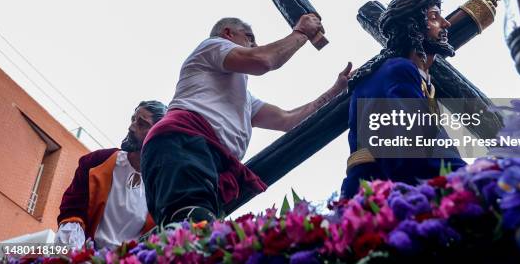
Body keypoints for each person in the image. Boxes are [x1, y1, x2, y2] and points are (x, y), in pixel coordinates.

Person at [142, 14, 353, 225]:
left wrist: (335, 91)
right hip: (184, 142)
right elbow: (262, 60)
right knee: (193, 223)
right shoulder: (213, 46)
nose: (255, 45)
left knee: (195, 229)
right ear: (227, 33)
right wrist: (301, 33)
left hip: (200, 154)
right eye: (249, 37)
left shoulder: (243, 99)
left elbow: (288, 120)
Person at [340, 0, 466, 199]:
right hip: (395, 198)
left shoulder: (395, 73)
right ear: (413, 26)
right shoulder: (399, 70)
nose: (446, 24)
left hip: (372, 197)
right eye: (434, 17)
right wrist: (470, 179)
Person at [56, 100, 167, 249]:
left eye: (142, 123)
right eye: (133, 120)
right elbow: (72, 211)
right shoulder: (97, 162)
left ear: (159, 135)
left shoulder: (164, 187)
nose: (131, 127)